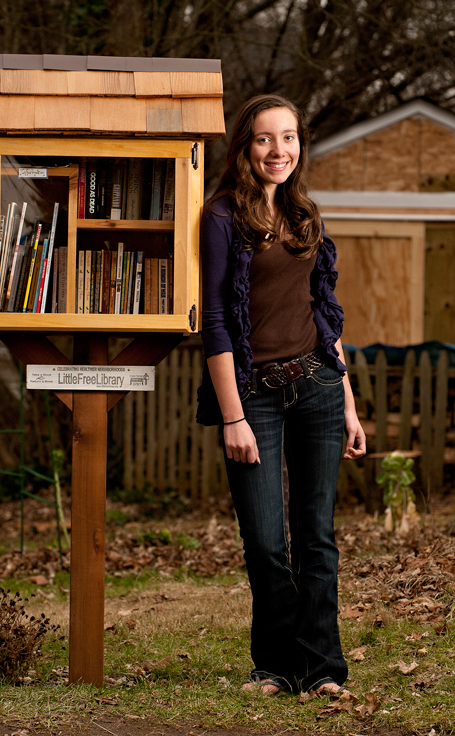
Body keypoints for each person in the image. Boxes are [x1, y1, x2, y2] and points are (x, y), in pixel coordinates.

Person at [196, 94, 366, 696]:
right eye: (266, 139)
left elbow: (327, 314)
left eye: (289, 138)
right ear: (245, 146)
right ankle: (274, 665)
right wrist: (232, 414)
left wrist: (347, 404)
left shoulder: (306, 217)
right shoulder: (221, 217)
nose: (279, 151)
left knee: (316, 537)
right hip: (255, 399)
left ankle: (322, 670)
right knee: (267, 542)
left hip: (318, 386)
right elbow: (216, 319)